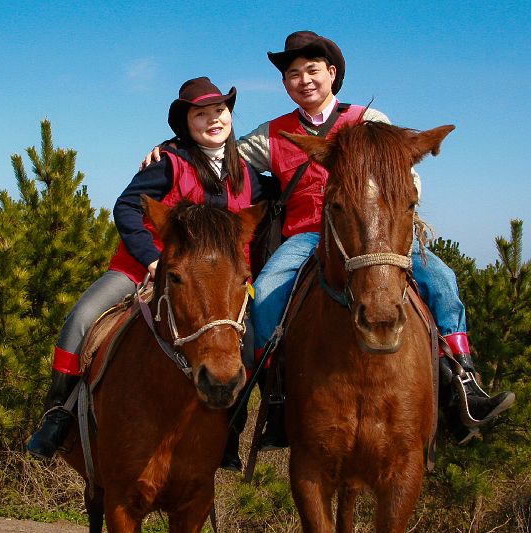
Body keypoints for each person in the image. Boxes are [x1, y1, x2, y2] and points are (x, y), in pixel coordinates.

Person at [144, 31, 515, 448]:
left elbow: (405, 176)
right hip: (306, 237)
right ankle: (262, 407)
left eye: (312, 70)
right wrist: (171, 148)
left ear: (332, 74)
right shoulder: (273, 134)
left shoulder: (369, 121)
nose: (304, 80)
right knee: (264, 299)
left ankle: (462, 385)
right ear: (285, 85)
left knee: (442, 282)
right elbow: (219, 154)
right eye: (293, 74)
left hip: (372, 235)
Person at [27, 77, 278, 467]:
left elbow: (275, 208)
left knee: (253, 344)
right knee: (81, 317)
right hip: (144, 268)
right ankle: (57, 415)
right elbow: (126, 207)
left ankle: (229, 433)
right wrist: (152, 258)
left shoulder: (248, 175)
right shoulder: (167, 163)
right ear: (186, 123)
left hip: (216, 287)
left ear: (230, 115)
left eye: (220, 111)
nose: (213, 120)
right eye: (201, 114)